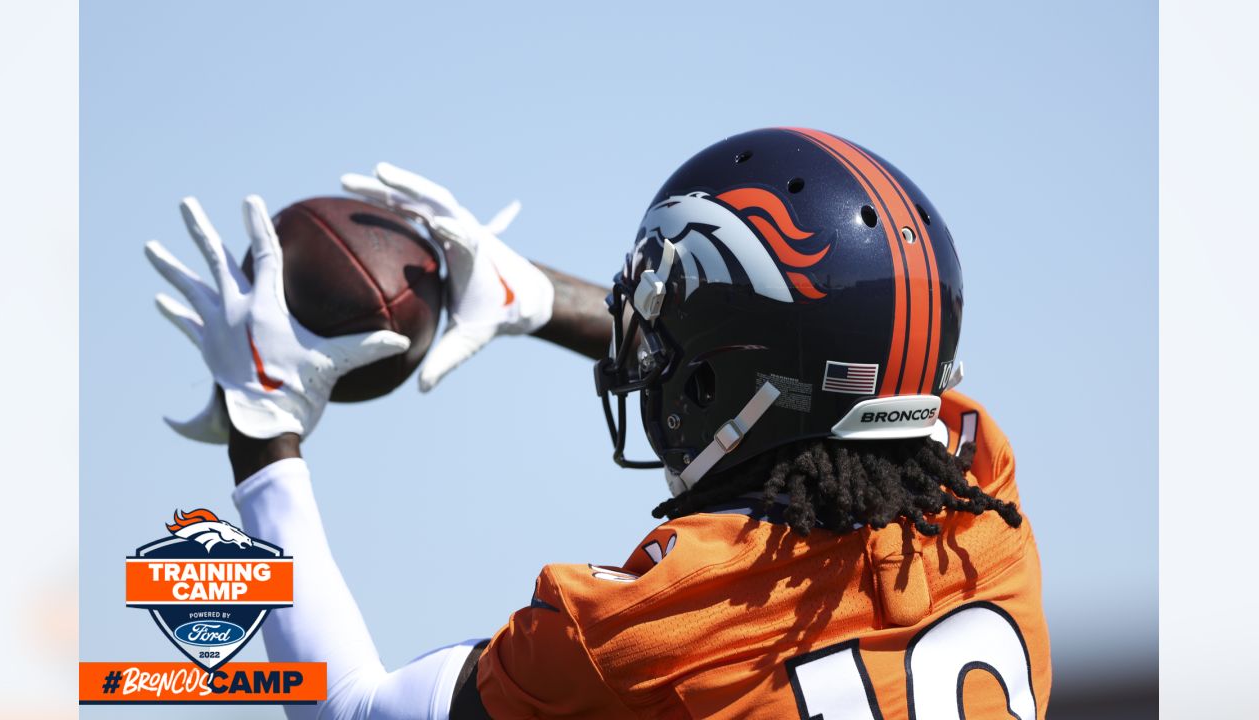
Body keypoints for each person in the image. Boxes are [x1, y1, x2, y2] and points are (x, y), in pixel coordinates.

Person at [146, 128, 1051, 719]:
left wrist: (261, 421)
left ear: (712, 381)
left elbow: (347, 707)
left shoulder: (649, 629)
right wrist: (529, 296)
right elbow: (819, 370)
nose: (639, 358)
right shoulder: (984, 518)